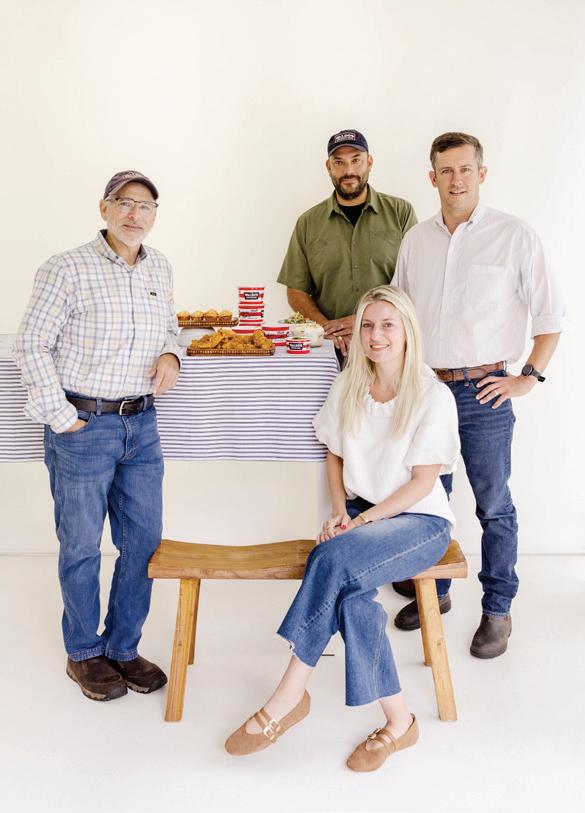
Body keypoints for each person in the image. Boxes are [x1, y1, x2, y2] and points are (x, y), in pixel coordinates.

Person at [224, 285, 460, 771]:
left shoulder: (432, 395)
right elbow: (334, 453)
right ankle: (400, 723)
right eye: (367, 325)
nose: (376, 335)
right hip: (359, 515)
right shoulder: (349, 385)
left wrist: (359, 522)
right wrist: (339, 511)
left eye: (388, 325)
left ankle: (289, 695)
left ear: (408, 332)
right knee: (352, 600)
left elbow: (422, 483)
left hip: (419, 522)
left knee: (330, 557)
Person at [393, 132, 566, 658]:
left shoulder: (514, 236)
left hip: (485, 394)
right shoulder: (415, 241)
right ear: (432, 178)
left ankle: (497, 610)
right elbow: (401, 314)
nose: (456, 180)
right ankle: (436, 592)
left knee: (493, 506)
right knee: (428, 502)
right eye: (446, 171)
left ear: (481, 174)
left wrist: (527, 378)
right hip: (427, 392)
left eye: (465, 169)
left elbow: (551, 318)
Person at [13, 170, 181, 700]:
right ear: (104, 209)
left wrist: (172, 353)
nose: (135, 214)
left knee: (143, 544)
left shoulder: (160, 267)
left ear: (154, 216)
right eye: (124, 203)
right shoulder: (65, 268)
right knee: (82, 545)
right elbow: (31, 345)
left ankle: (124, 647)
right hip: (84, 426)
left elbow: (170, 327)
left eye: (145, 206)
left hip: (142, 425)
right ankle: (84, 651)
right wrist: (60, 416)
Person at [277, 129, 417, 356]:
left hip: (388, 350)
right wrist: (325, 327)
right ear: (328, 167)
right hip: (332, 352)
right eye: (339, 162)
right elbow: (296, 289)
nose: (348, 171)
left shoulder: (401, 213)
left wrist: (364, 319)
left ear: (369, 162)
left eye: (356, 160)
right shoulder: (308, 223)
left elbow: (415, 281)